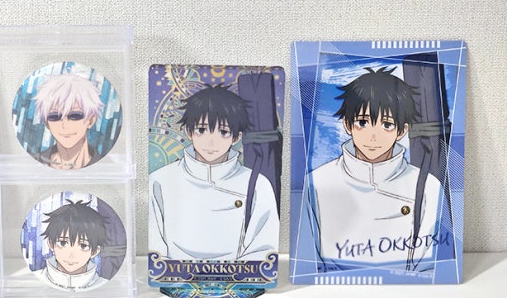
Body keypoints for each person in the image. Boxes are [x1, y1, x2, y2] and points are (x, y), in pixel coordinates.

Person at [306, 67, 442, 270]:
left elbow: (430, 267)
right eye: (363, 122)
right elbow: (308, 263)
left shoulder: (427, 186)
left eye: (387, 125)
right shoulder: (316, 182)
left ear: (402, 131)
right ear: (347, 125)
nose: (373, 136)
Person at [149, 84, 279, 261]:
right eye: (202, 130)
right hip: (174, 274)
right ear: (188, 131)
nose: (211, 142)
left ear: (236, 137)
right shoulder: (160, 180)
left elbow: (263, 247)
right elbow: (155, 248)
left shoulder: (257, 184)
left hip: (238, 275)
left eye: (223, 132)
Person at [33, 73, 104, 170]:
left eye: (75, 115)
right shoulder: (34, 164)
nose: (64, 125)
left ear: (90, 120)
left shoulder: (105, 167)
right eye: (55, 116)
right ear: (47, 123)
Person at [40, 200, 108, 290]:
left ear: (94, 251)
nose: (71, 255)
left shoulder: (103, 285)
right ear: (51, 244)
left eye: (83, 246)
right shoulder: (37, 279)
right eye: (63, 243)